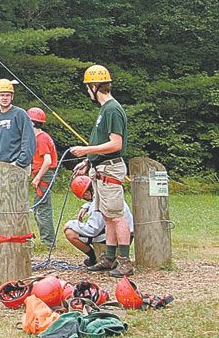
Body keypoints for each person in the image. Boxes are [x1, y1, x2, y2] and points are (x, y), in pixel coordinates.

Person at [67, 64, 132, 277]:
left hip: (110, 170)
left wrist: (86, 149)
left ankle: (124, 262)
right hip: (100, 168)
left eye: (88, 87)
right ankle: (109, 258)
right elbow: (103, 144)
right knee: (106, 216)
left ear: (95, 86)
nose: (88, 91)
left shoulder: (112, 109)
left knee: (117, 216)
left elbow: (116, 144)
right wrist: (88, 160)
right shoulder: (105, 110)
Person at [64, 174, 134, 267]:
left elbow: (93, 230)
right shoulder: (106, 194)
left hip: (117, 236)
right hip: (127, 234)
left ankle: (94, 258)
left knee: (70, 233)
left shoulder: (96, 205)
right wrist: (86, 206)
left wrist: (70, 224)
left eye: (84, 197)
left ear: (86, 194)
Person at [27, 107, 57, 248]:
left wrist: (38, 178)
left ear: (32, 123)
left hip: (44, 175)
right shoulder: (41, 137)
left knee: (42, 209)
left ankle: (48, 242)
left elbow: (48, 161)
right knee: (40, 208)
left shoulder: (41, 139)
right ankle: (47, 240)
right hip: (42, 174)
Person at [0, 77, 36, 170]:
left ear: (12, 97)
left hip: (17, 166)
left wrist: (20, 163)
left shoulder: (20, 114)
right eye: (2, 95)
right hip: (0, 166)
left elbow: (29, 140)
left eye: (8, 95)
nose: (5, 98)